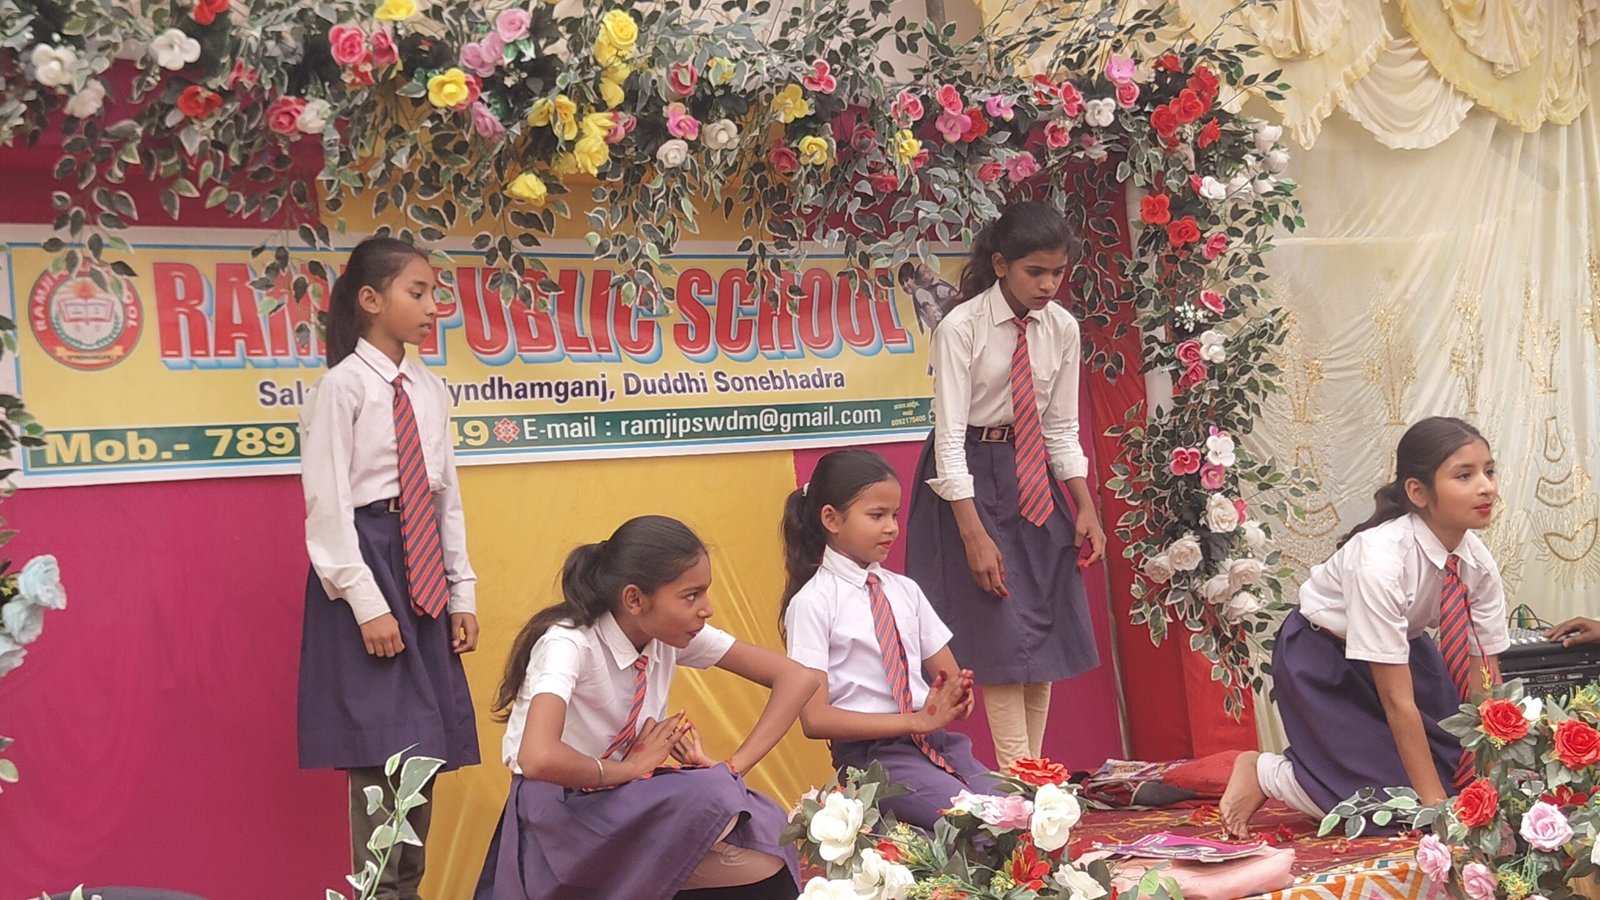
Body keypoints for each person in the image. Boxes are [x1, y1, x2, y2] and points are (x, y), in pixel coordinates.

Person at [477, 515, 817, 900]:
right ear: (635, 600)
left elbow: (798, 679)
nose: (707, 609)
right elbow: (537, 757)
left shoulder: (670, 634)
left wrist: (732, 767)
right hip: (560, 813)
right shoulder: (568, 645)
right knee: (712, 797)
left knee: (767, 831)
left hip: (621, 799)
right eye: (691, 596)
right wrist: (630, 768)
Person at [297, 236, 481, 899]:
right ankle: (377, 892)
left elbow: (444, 497)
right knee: (382, 749)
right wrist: (365, 602)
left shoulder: (430, 389)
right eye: (418, 292)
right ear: (371, 300)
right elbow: (327, 504)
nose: (433, 307)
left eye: (435, 294)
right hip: (368, 564)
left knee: (424, 748)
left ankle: (408, 890)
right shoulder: (342, 388)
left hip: (422, 565)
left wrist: (462, 591)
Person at [1219, 416, 1508, 837]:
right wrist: (1436, 813)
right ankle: (1266, 773)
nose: (1487, 488)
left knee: (1458, 778)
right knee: (1391, 811)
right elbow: (1397, 702)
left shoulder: (1476, 563)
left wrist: (1492, 779)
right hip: (1323, 661)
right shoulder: (1379, 560)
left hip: (1404, 653)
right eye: (1465, 475)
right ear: (1418, 492)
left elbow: (1485, 681)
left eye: (1489, 471)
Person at [905, 201, 1106, 769]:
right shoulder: (961, 327)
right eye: (1034, 272)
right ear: (1000, 265)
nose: (1047, 285)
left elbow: (1060, 428)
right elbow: (948, 439)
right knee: (999, 632)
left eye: (1057, 272)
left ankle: (1031, 778)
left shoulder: (1062, 328)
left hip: (1032, 473)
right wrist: (972, 534)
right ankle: (1022, 778)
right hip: (967, 479)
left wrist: (1085, 506)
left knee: (1041, 629)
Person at [780, 449, 992, 829]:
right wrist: (915, 721)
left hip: (935, 744)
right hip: (872, 759)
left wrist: (956, 698)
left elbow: (947, 677)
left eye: (894, 515)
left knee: (1019, 815)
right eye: (877, 516)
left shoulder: (905, 590)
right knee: (974, 825)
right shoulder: (813, 603)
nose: (891, 527)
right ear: (831, 519)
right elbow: (814, 718)